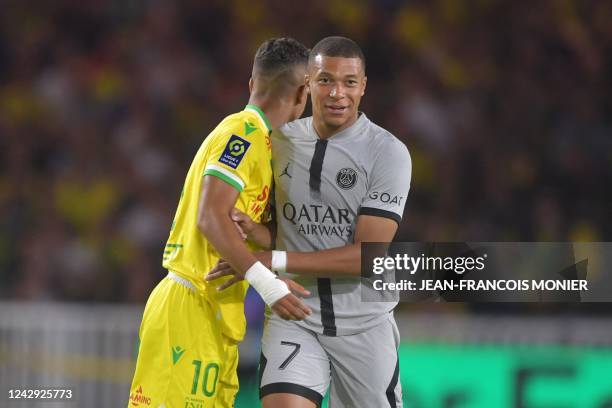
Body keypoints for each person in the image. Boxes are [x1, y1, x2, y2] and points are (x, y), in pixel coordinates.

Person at [209, 36, 412, 408]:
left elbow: (368, 255)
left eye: (349, 82)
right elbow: (293, 230)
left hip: (364, 324)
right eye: (325, 80)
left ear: (363, 86)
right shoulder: (279, 142)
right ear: (308, 84)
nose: (338, 93)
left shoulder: (388, 152)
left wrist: (271, 261)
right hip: (295, 316)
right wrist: (258, 233)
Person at [128, 37, 313, 408]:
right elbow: (210, 217)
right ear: (302, 93)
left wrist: (261, 237)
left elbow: (240, 226)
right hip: (189, 307)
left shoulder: (267, 145)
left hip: (218, 319)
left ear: (252, 84)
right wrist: (268, 285)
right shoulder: (241, 132)